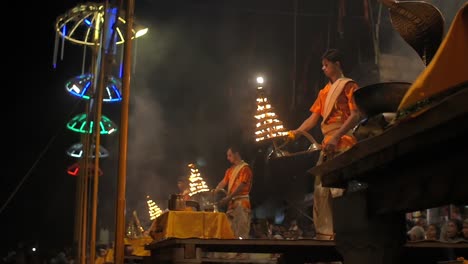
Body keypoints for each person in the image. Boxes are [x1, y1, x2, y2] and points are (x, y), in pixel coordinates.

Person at [291, 48, 361, 240]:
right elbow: (313, 119)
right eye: (322, 65)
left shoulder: (349, 86)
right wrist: (294, 133)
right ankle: (326, 235)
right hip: (327, 145)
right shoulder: (324, 92)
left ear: (337, 64)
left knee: (340, 190)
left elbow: (355, 115)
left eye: (326, 65)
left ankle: (345, 234)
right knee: (322, 191)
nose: (323, 68)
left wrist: (337, 137)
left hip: (343, 141)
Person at [215, 146, 253, 239]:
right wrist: (214, 191)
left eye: (230, 155)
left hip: (241, 203)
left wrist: (228, 197)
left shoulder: (245, 168)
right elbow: (223, 182)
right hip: (231, 204)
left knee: (241, 232)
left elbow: (241, 186)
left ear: (236, 154)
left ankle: (242, 253)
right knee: (230, 232)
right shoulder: (230, 170)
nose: (228, 158)